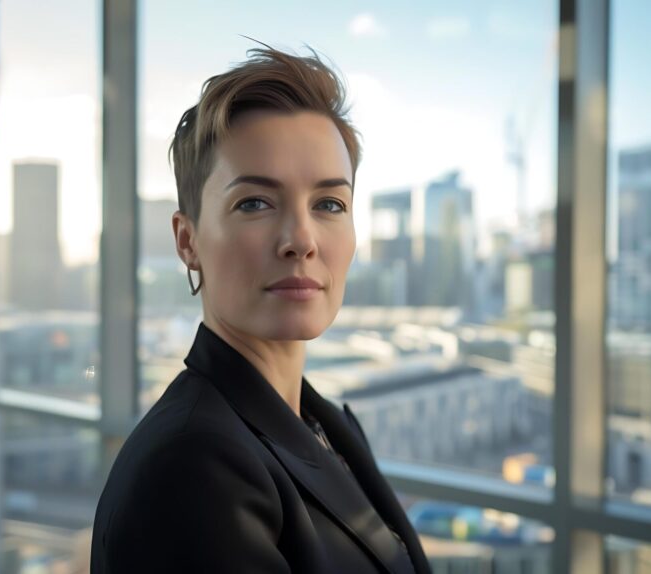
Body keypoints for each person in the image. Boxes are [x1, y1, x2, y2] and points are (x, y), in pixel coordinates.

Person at [90, 43, 431, 573]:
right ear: (188, 241)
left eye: (329, 204)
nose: (301, 240)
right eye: (254, 202)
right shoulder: (192, 468)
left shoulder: (328, 426)